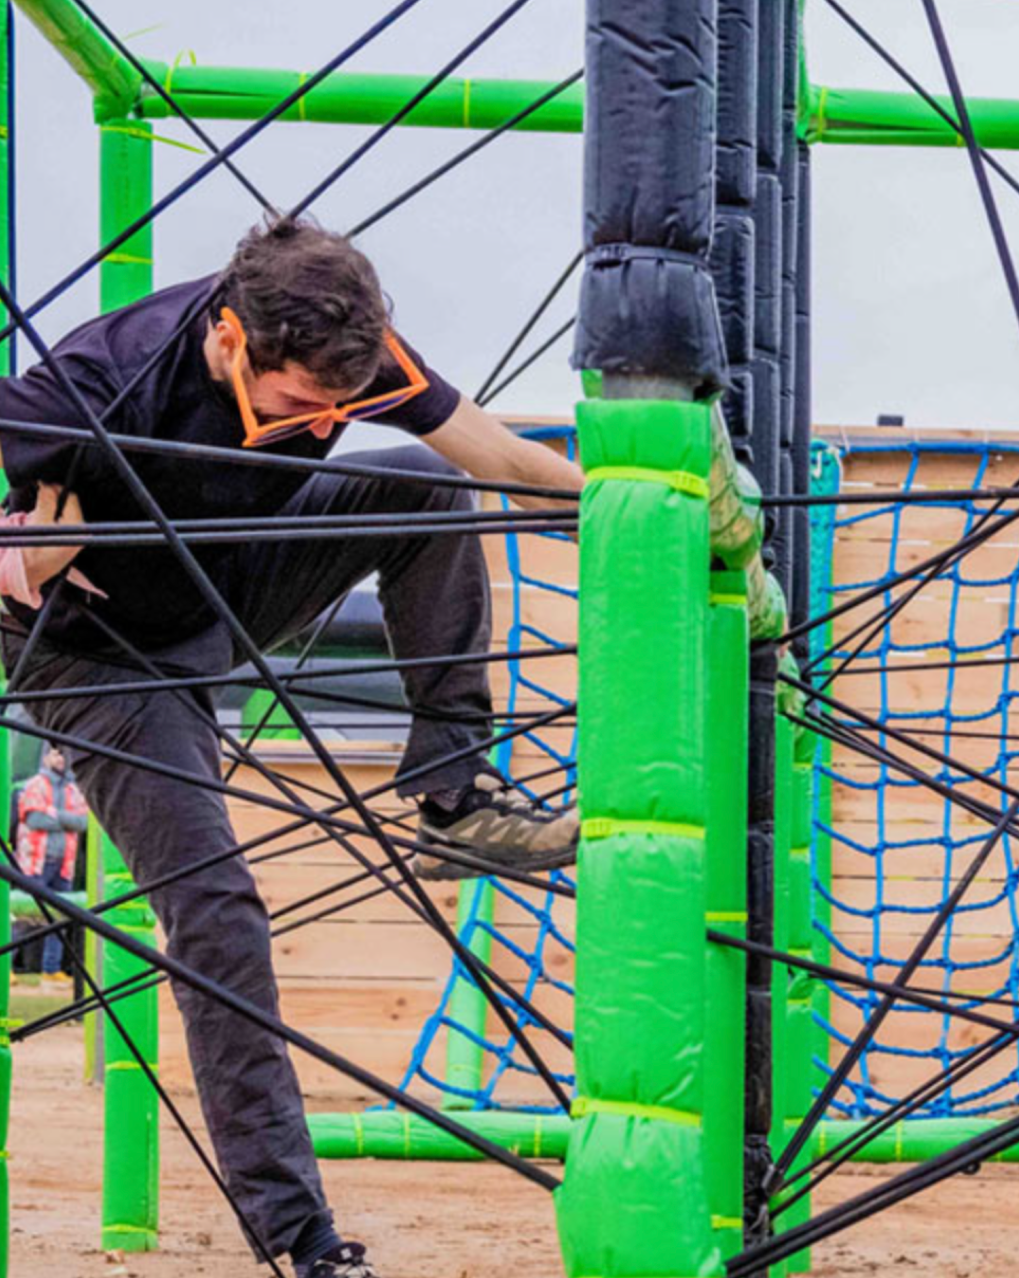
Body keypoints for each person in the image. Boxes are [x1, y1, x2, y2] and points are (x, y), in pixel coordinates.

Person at [0, 219, 588, 1278]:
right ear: (229, 339)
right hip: (101, 655)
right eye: (296, 405)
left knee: (420, 480)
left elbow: (493, 455)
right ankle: (300, 1240)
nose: (320, 421)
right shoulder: (94, 382)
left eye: (336, 404)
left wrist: (624, 509)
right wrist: (29, 561)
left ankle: (454, 800)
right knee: (217, 912)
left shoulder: (346, 355)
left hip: (227, 580)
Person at [14, 743, 88, 978]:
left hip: (64, 862)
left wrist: (53, 814)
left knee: (59, 919)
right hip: (36, 861)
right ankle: (7, 968)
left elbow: (83, 823)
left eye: (63, 754)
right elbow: (35, 820)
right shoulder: (35, 784)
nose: (60, 758)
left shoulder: (73, 788)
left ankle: (51, 968)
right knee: (22, 918)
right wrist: (66, 821)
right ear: (46, 757)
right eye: (56, 754)